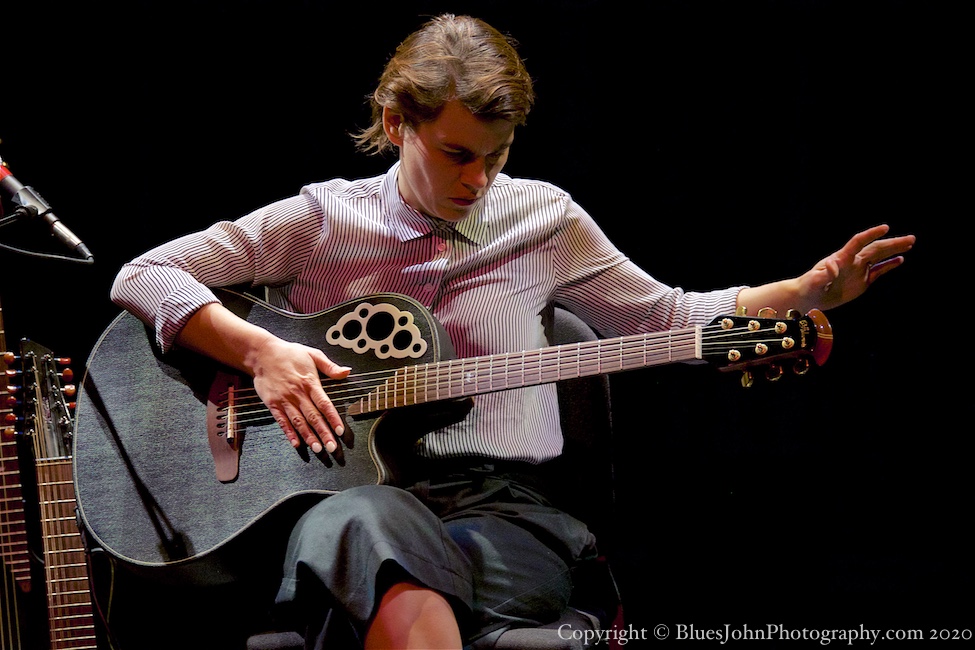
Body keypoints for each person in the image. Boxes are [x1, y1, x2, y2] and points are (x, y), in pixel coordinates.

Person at [110, 13, 915, 649]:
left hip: (501, 514)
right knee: (360, 525)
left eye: (495, 157)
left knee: (372, 561)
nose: (479, 180)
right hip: (348, 499)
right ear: (396, 125)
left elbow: (665, 317)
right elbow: (142, 275)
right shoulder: (321, 221)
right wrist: (261, 352)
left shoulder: (545, 219)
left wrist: (795, 294)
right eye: (457, 154)